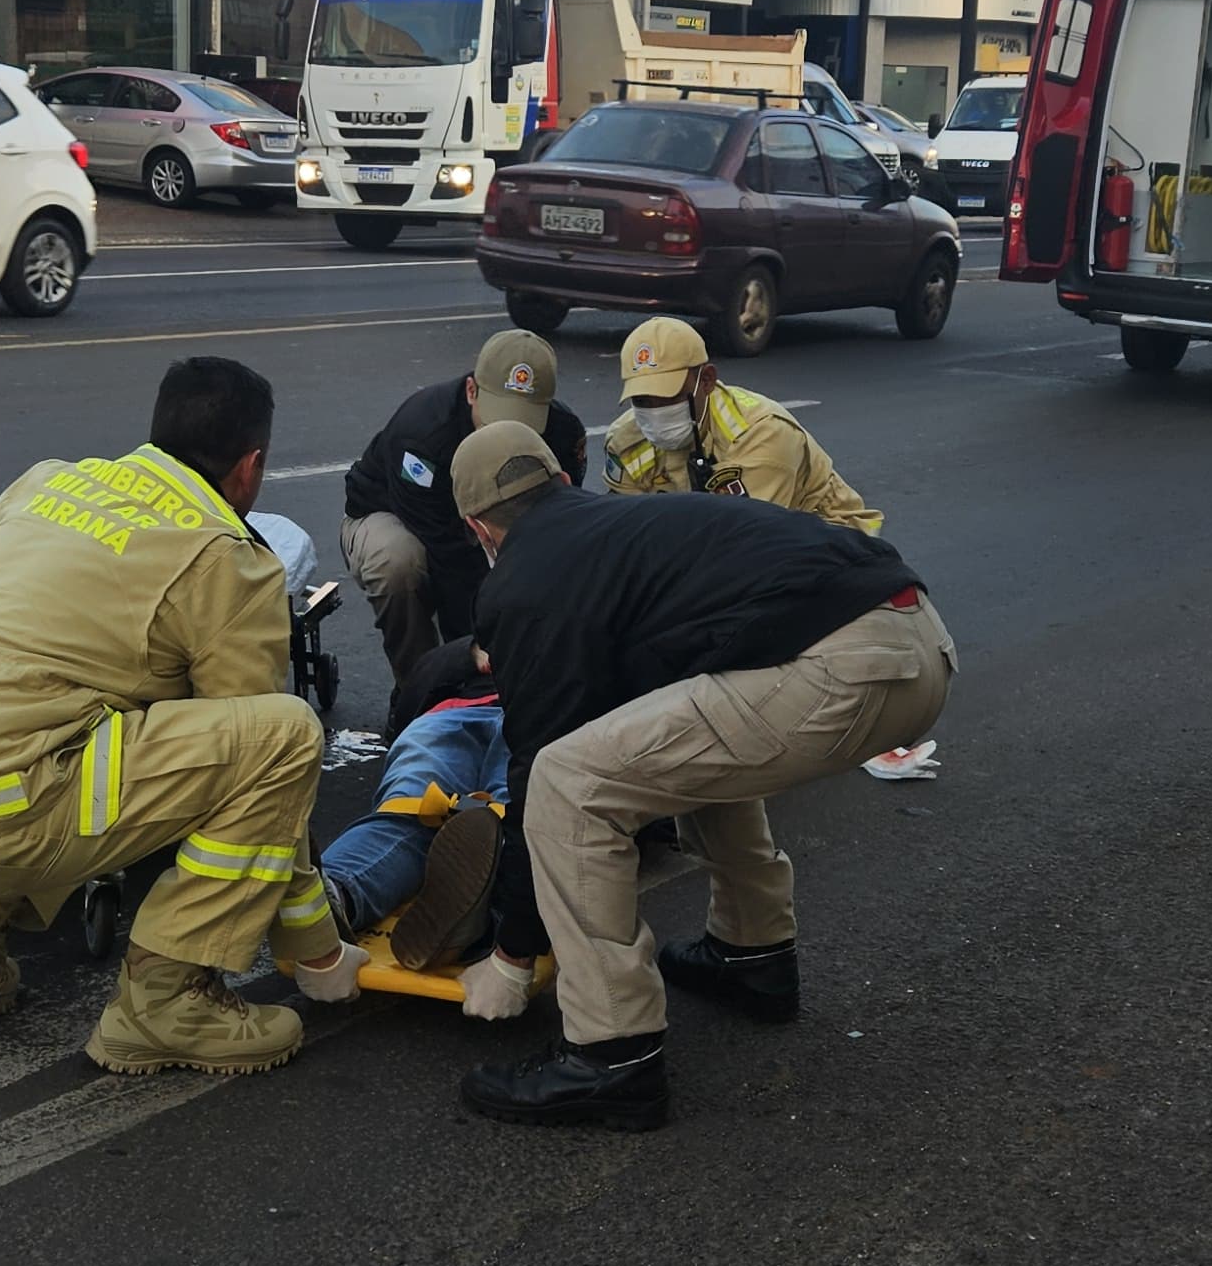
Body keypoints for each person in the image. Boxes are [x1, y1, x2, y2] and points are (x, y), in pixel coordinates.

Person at [0, 357, 362, 1076]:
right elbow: (254, 756)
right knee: (283, 734)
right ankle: (167, 1002)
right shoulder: (227, 557)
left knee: (55, 721)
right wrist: (317, 949)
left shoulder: (50, 479)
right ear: (250, 468)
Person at [445, 421, 953, 1130]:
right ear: (562, 481)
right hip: (919, 636)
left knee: (568, 785)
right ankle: (752, 956)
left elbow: (538, 767)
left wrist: (511, 952)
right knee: (674, 741)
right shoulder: (622, 527)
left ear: (479, 528)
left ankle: (610, 1056)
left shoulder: (526, 577)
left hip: (841, 668)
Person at [341, 328, 589, 676]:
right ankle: (420, 683)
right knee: (398, 563)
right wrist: (473, 657)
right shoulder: (421, 435)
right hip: (396, 517)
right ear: (472, 391)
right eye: (495, 423)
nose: (503, 441)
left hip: (486, 521)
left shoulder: (563, 433)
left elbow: (560, 523)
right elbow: (451, 560)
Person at [308, 642, 522, 978]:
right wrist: (467, 653)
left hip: (542, 712)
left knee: (505, 813)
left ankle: (479, 912)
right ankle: (329, 897)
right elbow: (416, 687)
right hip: (455, 712)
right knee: (412, 807)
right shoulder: (478, 639)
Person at [598, 316, 881, 532]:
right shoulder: (626, 441)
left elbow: (747, 543)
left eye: (668, 396)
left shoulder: (762, 434)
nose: (655, 411)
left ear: (706, 380)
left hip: (825, 538)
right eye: (642, 401)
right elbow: (628, 532)